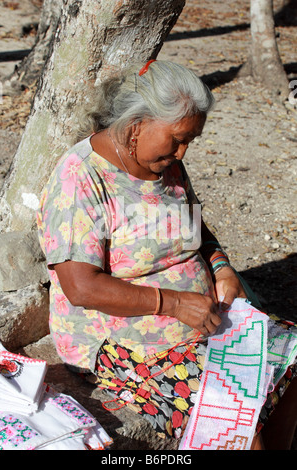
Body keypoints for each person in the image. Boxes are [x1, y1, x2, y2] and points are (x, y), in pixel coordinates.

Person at [37, 59, 296, 449]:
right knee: (234, 414)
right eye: (177, 138)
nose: (183, 151)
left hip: (202, 319)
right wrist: (173, 303)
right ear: (135, 124)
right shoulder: (79, 177)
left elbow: (197, 231)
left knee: (293, 355)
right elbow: (81, 287)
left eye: (190, 139)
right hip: (122, 341)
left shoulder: (165, 165)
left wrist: (222, 269)